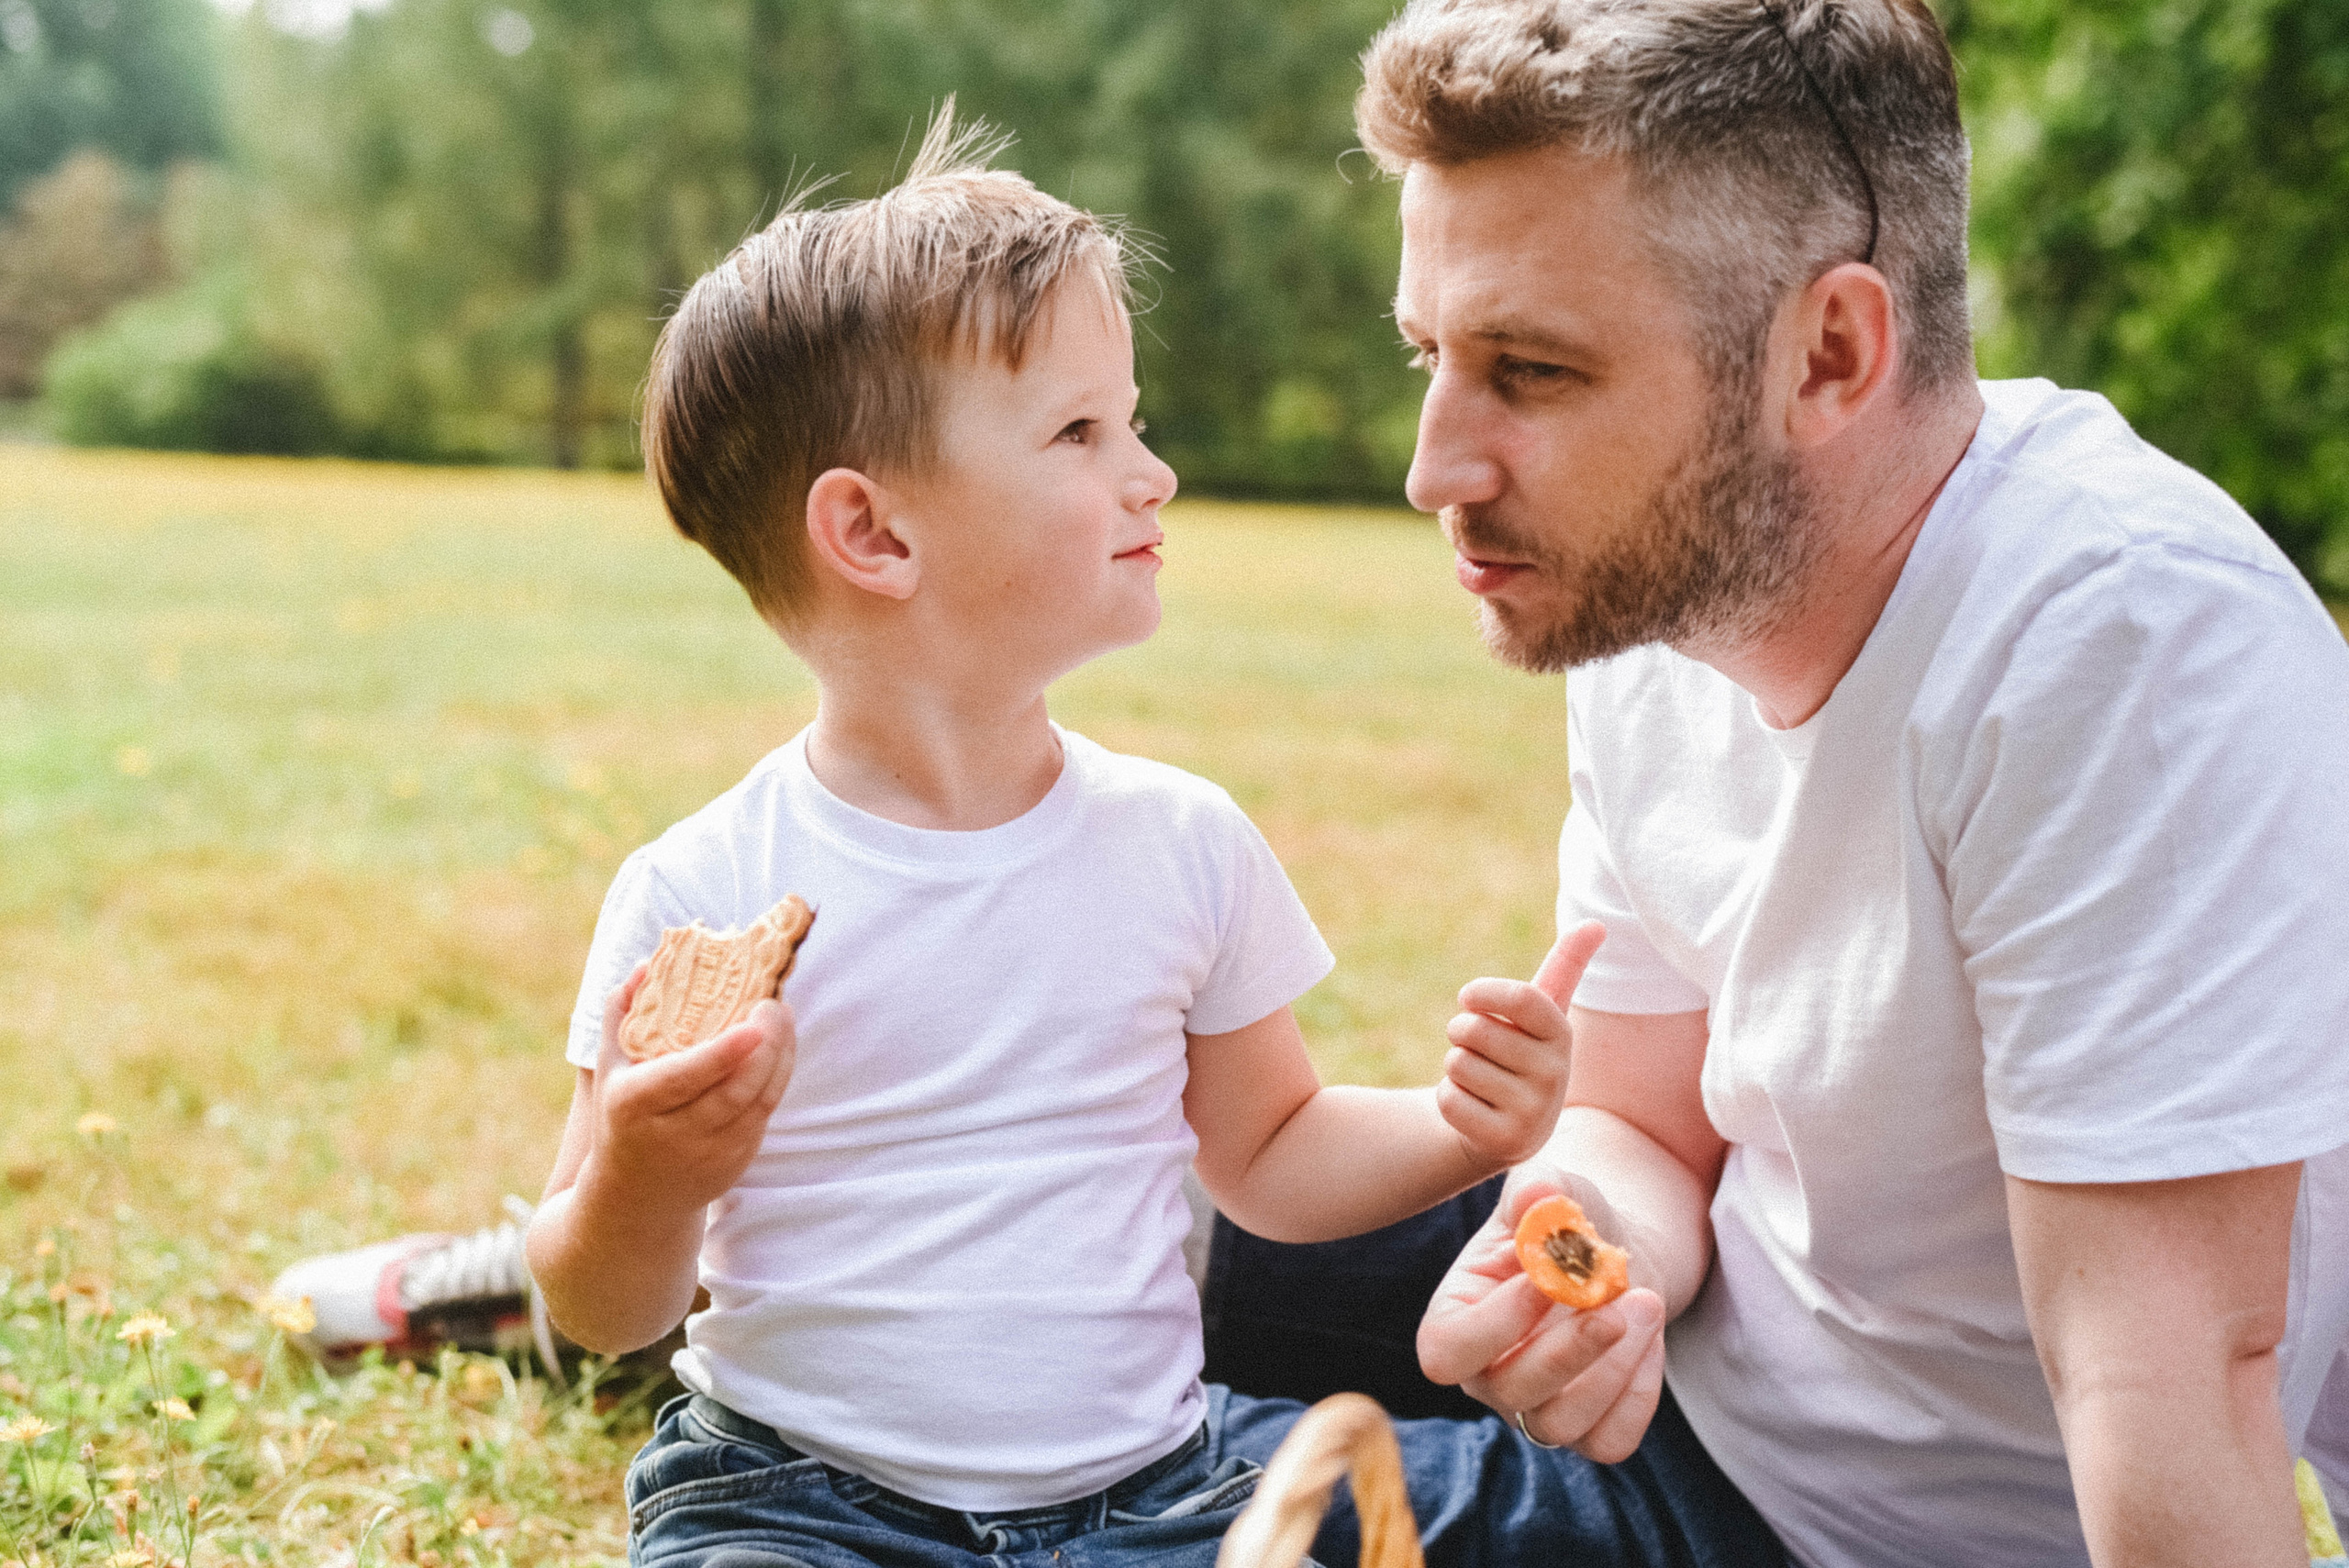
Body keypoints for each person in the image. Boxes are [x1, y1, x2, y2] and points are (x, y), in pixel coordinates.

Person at [1245, 0, 2348, 1564]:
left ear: (1829, 352)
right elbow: (1637, 1114)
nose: (1437, 467)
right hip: (1706, 1383)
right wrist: (1601, 1266)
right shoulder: (1659, 593)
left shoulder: (2117, 649)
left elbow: (2168, 1391)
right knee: (1060, 1214)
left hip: (1845, 1533)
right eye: (1434, 356)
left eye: (1532, 369)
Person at [517, 108, 1604, 1568]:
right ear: (875, 535)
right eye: (1081, 432)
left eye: (1130, 421)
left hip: (1149, 1501)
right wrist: (646, 1174)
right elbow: (604, 1304)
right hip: (798, 1502)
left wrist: (1465, 1127)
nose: (1151, 472)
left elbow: (1272, 1155)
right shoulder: (701, 889)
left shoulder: (1180, 843)